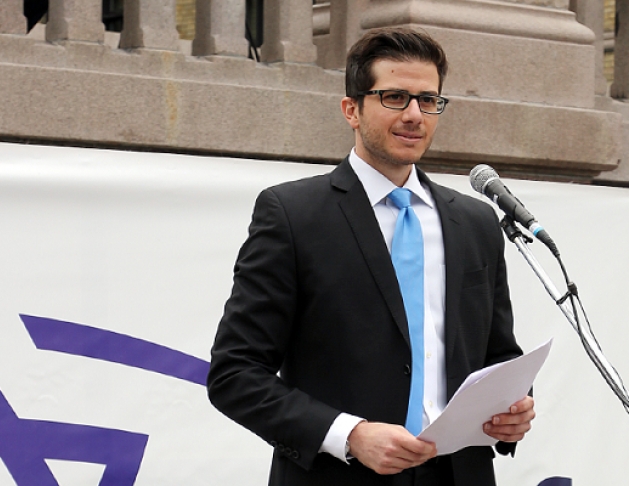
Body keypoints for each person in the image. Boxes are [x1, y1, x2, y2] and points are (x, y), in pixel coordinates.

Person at [207, 27, 535, 486]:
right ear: (351, 110)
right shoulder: (293, 215)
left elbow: (498, 356)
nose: (414, 115)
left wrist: (514, 410)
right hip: (340, 474)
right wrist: (350, 435)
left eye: (428, 100)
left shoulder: (476, 222)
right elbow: (235, 374)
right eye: (395, 97)